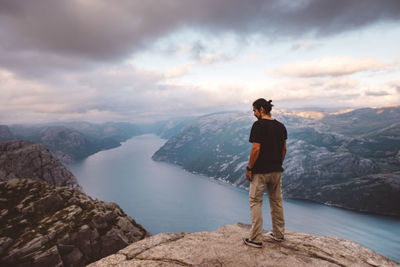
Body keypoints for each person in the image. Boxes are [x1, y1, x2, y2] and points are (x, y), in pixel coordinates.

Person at [243, 98, 287, 248]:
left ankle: (255, 239)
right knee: (276, 201)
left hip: (260, 171)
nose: (254, 113)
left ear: (261, 109)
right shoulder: (281, 126)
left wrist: (249, 168)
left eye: (254, 110)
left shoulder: (258, 125)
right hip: (276, 170)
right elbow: (284, 150)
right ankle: (279, 234)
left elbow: (256, 149)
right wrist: (277, 163)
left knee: (255, 201)